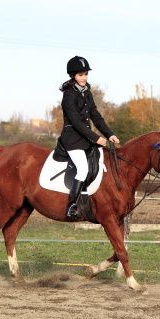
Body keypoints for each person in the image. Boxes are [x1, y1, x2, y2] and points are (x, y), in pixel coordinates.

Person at [59, 55, 120, 220]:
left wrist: (110, 134)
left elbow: (96, 116)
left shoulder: (87, 93)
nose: (84, 77)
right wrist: (96, 138)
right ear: (73, 75)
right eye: (80, 74)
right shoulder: (69, 95)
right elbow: (77, 122)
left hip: (85, 139)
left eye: (86, 74)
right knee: (83, 168)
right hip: (72, 139)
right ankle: (72, 205)